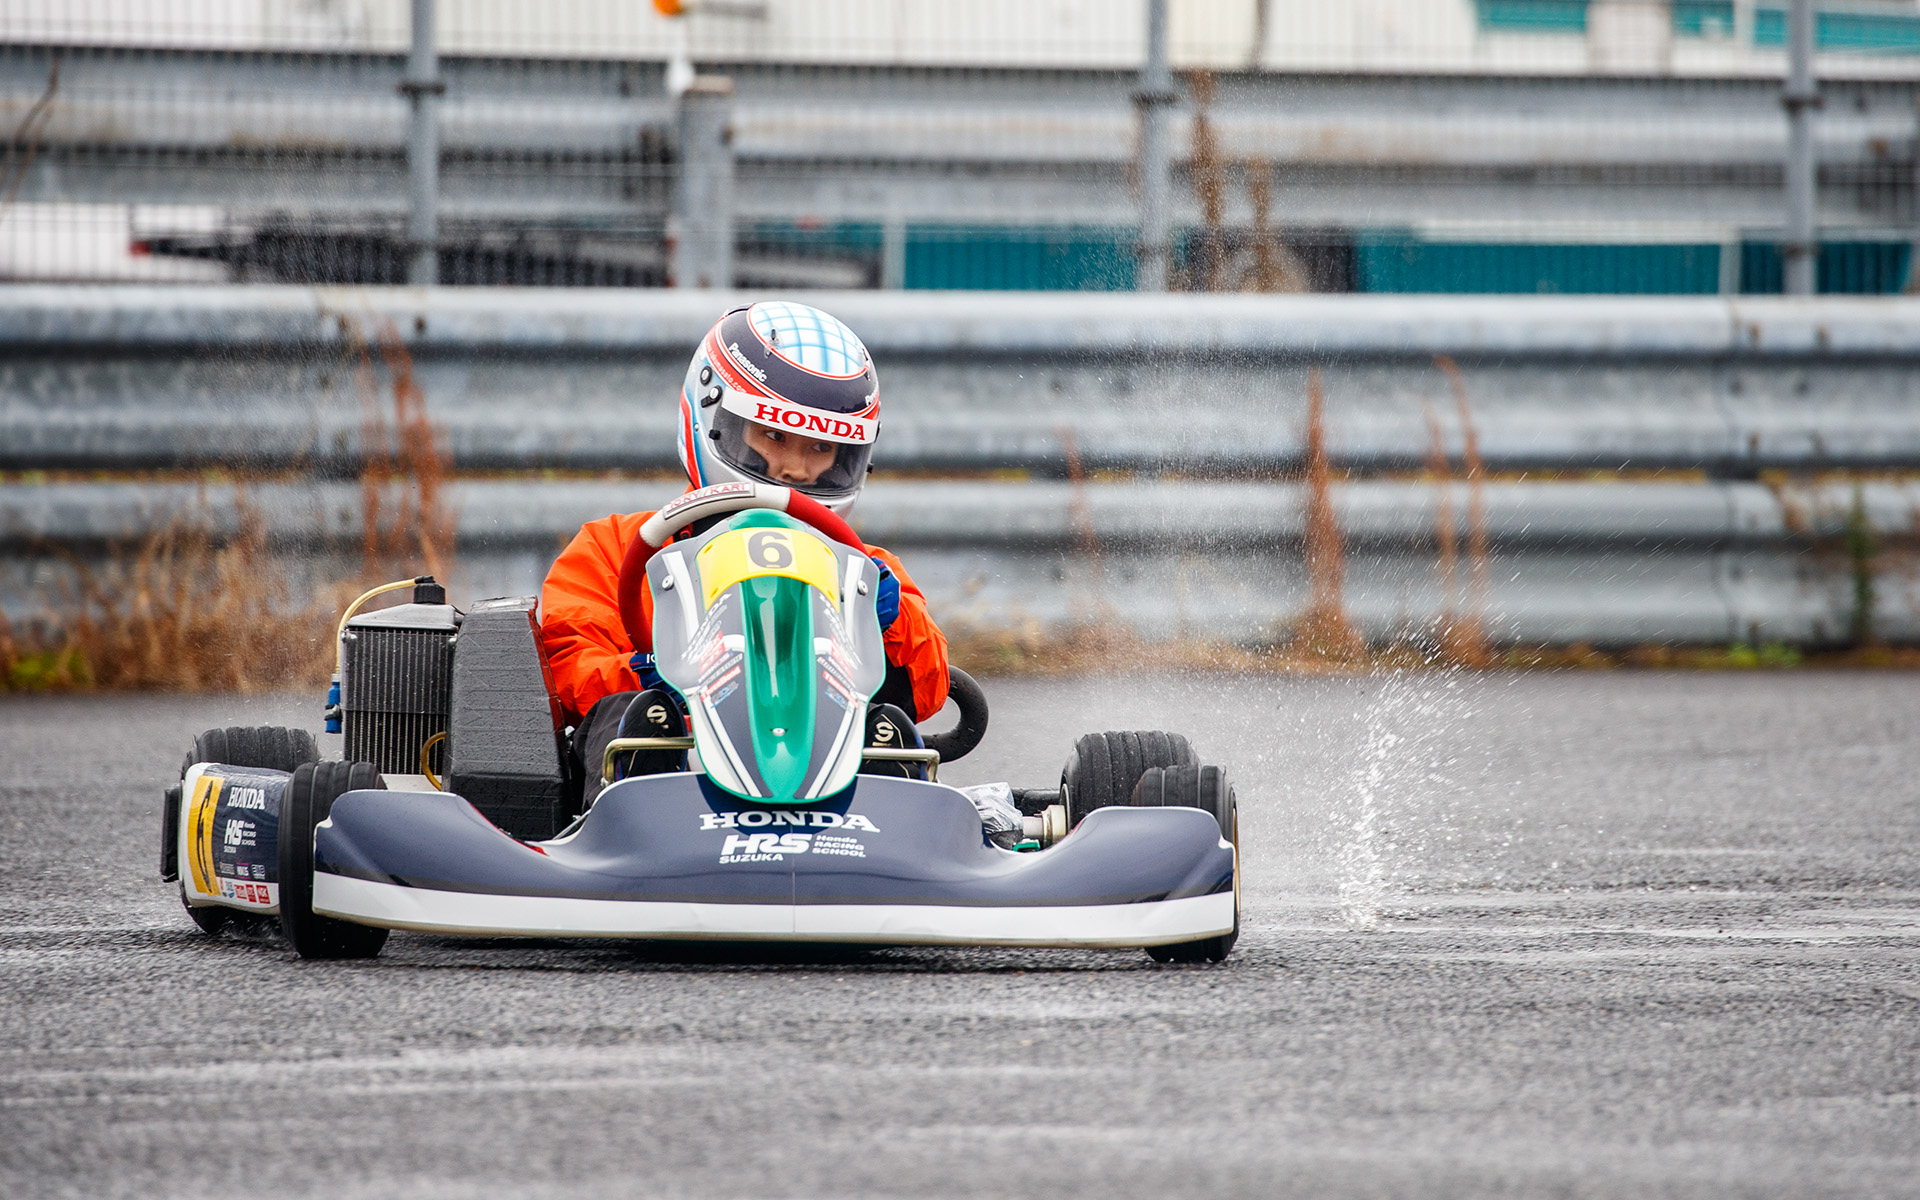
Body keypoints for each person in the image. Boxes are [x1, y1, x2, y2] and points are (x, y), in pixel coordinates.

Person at [539, 301, 949, 798]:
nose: (796, 469)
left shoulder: (863, 568)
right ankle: (636, 819)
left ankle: (895, 841)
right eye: (775, 436)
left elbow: (929, 688)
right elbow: (568, 671)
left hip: (837, 802)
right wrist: (659, 681)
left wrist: (886, 619)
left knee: (888, 724)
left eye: (820, 449)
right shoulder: (614, 549)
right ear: (713, 414)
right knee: (634, 717)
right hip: (674, 790)